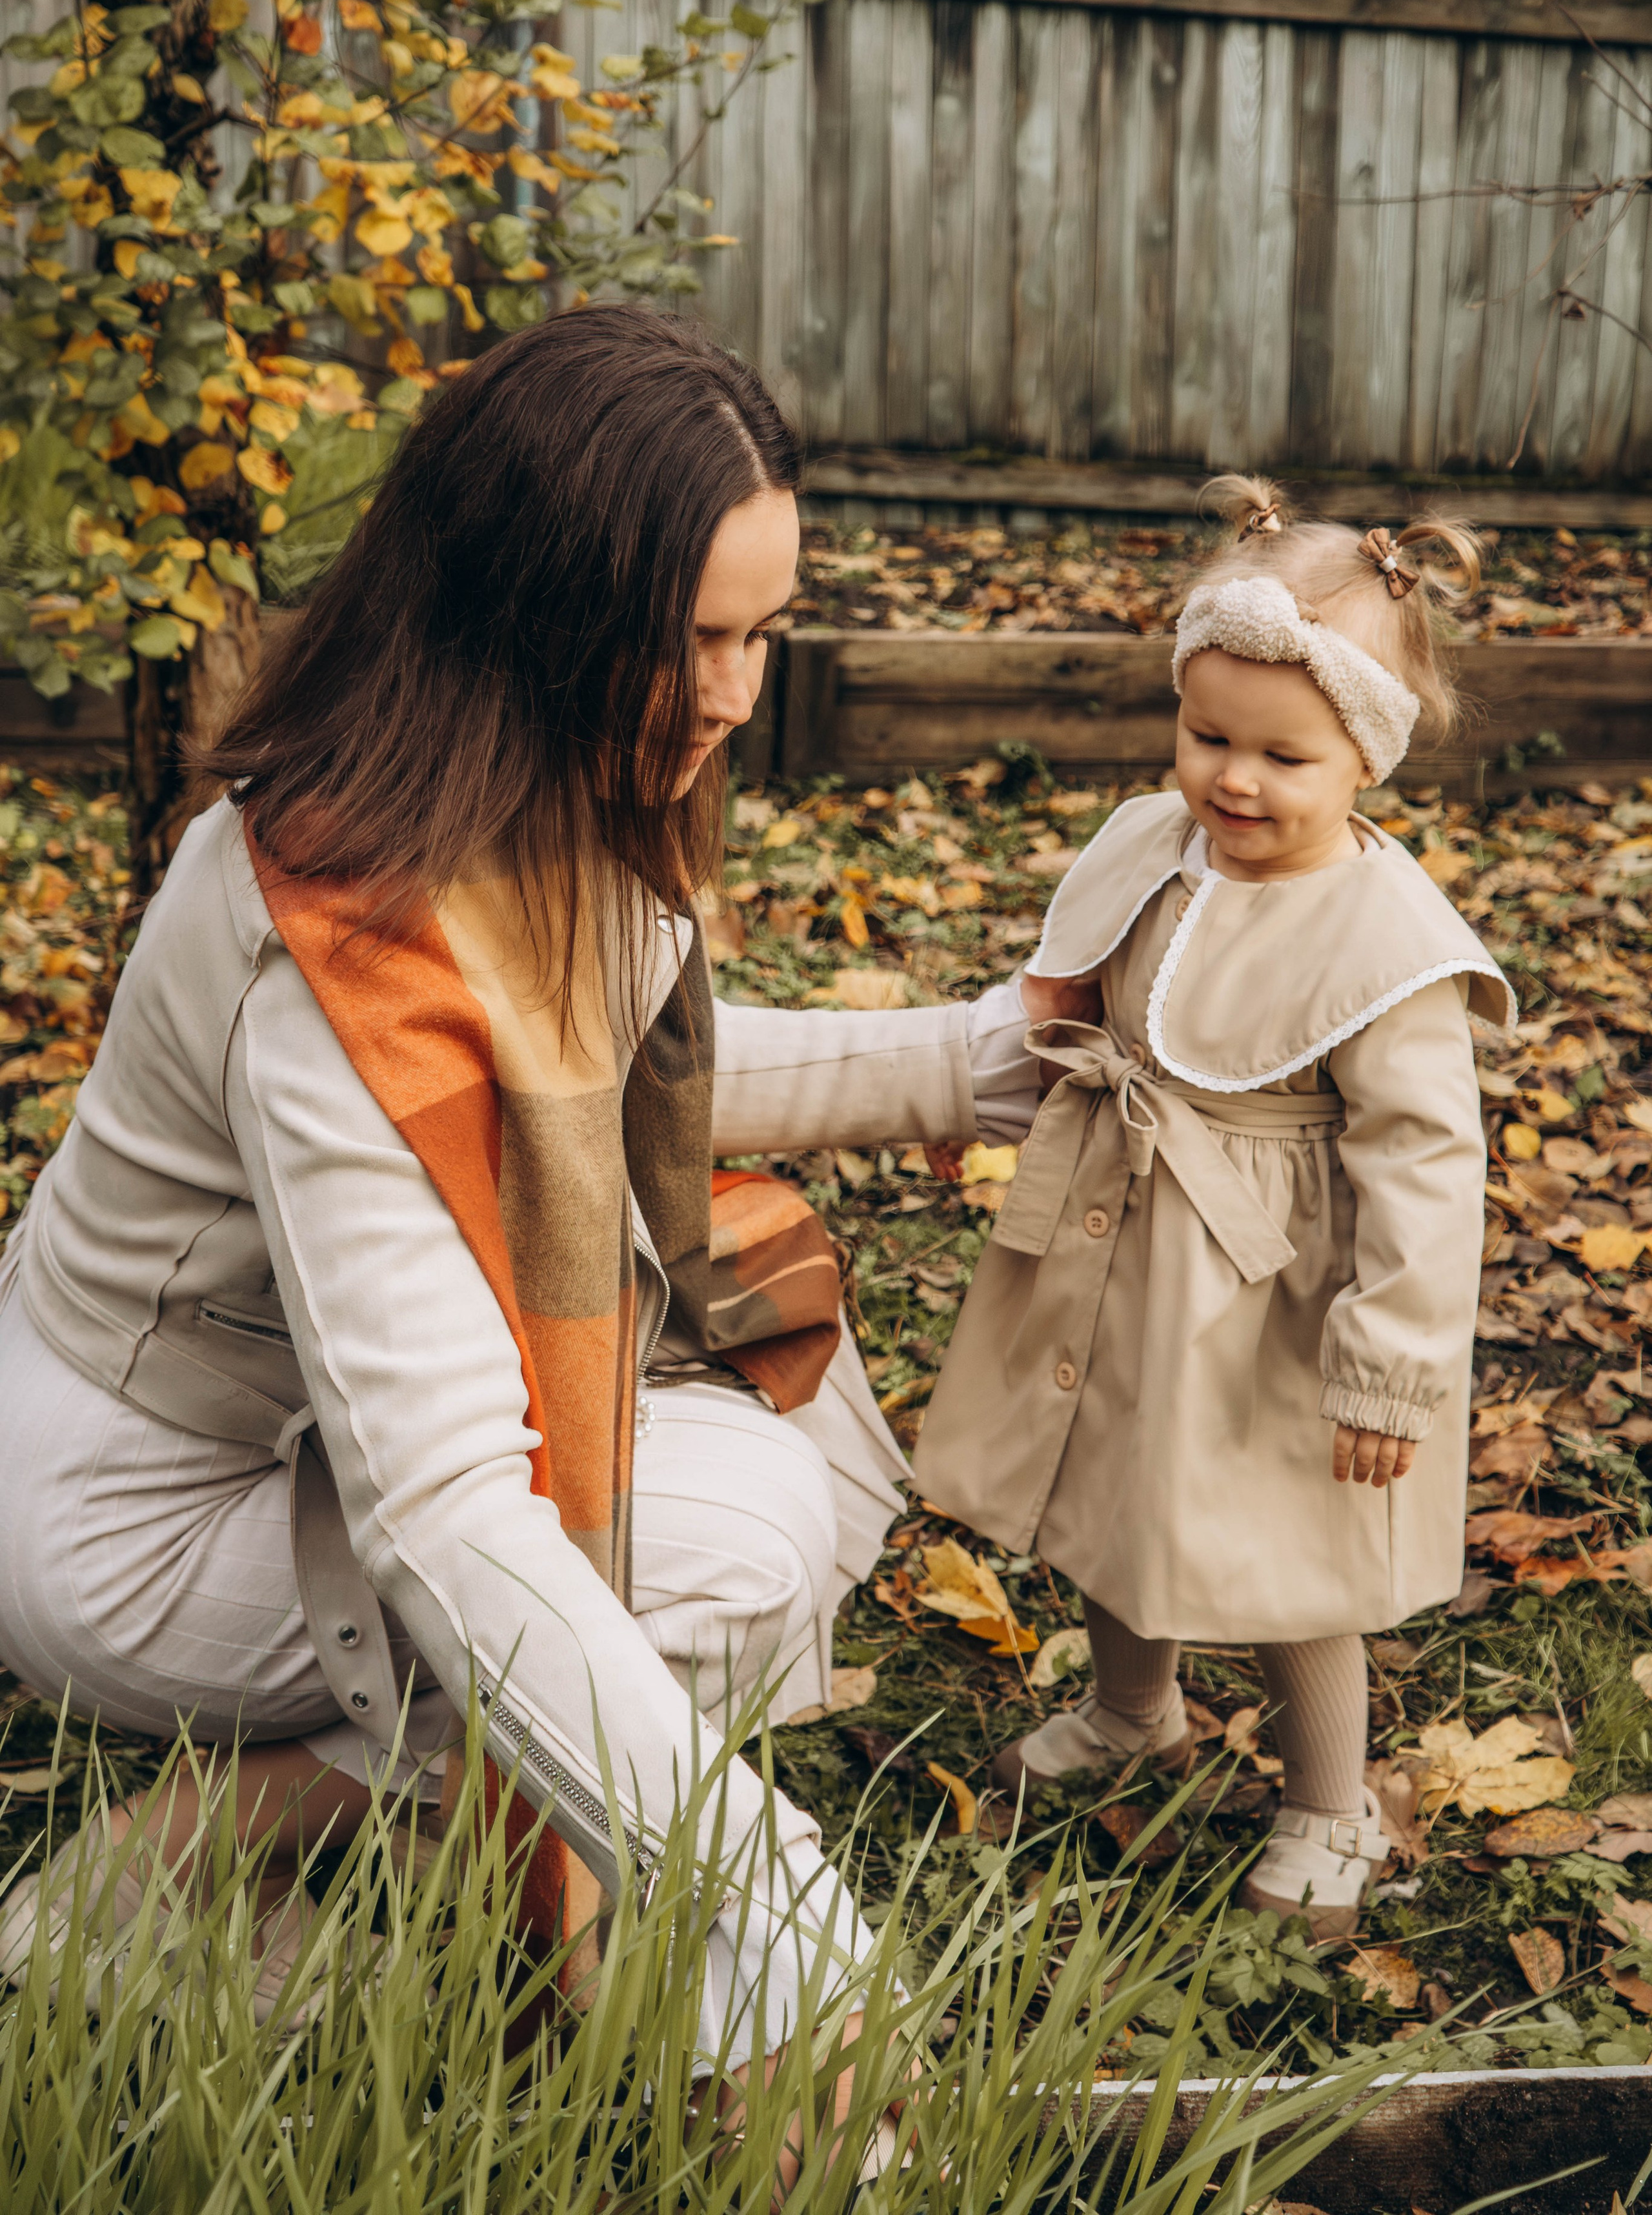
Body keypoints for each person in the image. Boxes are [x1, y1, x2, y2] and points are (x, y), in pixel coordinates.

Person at [0, 309, 1029, 2094]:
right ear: (528, 611)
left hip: (285, 1454)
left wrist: (982, 1055)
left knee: (774, 1435)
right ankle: (179, 1856)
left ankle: (385, 1832)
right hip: (144, 1513)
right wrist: (770, 1911)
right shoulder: (335, 924)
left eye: (762, 636)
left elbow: (640, 1065)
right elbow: (441, 1504)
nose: (732, 697)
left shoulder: (512, 789)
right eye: (688, 640)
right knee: (722, 1554)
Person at [915, 476, 1513, 1938]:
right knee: (1115, 1488)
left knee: (1284, 1546)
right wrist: (999, 1090)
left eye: (1281, 758)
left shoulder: (1384, 942)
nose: (1232, 781)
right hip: (1127, 1240)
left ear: (1362, 760)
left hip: (1279, 1297)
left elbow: (1426, 1171)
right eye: (1206, 738)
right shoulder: (1153, 846)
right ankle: (1134, 1710)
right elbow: (1076, 990)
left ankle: (1329, 1804)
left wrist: (1389, 1361)